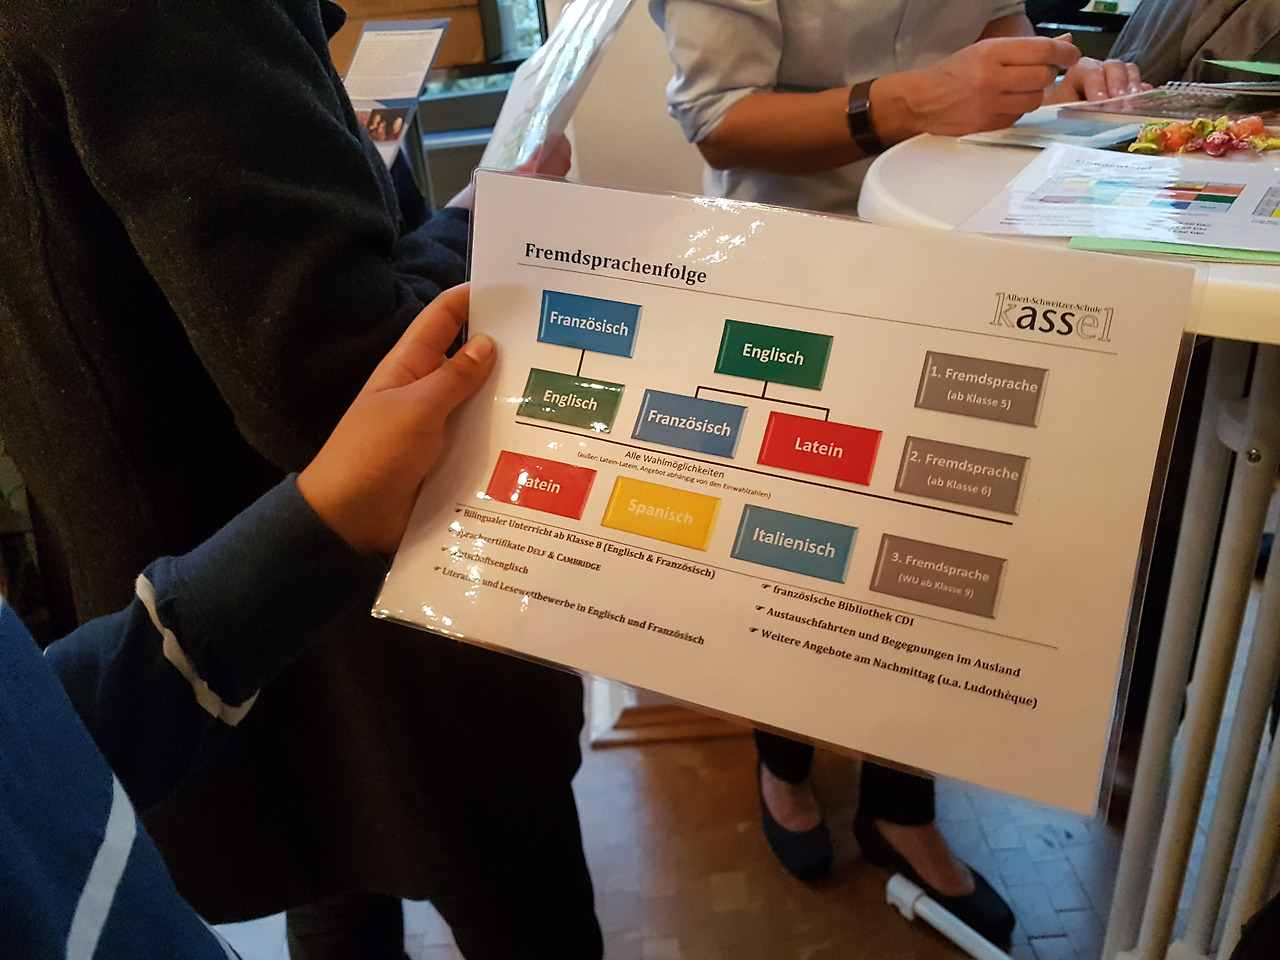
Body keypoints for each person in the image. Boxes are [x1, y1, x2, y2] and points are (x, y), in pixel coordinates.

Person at [0, 2, 598, 958]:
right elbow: (344, 373)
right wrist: (483, 221)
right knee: (514, 891)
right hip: (357, 606)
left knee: (332, 861)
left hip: (194, 592)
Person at [648, 0, 1147, 945]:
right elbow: (720, 119)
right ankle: (784, 763)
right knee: (785, 543)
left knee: (935, 555)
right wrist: (912, 101)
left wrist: (1042, 75)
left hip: (959, 244)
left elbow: (995, 17)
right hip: (792, 256)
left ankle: (901, 805)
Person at [0, 287, 494, 959]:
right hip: (350, 627)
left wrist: (327, 519)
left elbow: (33, 738)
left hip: (268, 599)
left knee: (336, 869)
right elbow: (315, 345)